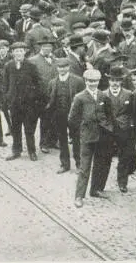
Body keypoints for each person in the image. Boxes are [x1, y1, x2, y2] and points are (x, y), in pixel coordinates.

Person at [69, 69, 115, 208]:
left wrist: (109, 128)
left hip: (102, 137)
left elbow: (110, 115)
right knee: (85, 167)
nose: (92, 83)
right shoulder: (79, 97)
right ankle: (79, 196)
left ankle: (95, 190)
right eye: (90, 81)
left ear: (99, 81)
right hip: (87, 137)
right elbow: (72, 118)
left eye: (95, 81)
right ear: (85, 81)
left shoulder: (104, 96)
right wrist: (80, 132)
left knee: (100, 165)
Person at [2, 42, 44, 161]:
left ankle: (32, 151)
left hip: (28, 104)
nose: (19, 53)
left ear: (24, 52)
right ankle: (16, 151)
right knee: (15, 128)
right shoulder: (8, 66)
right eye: (16, 51)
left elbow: (38, 83)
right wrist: (6, 99)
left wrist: (34, 98)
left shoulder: (31, 65)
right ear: (12, 53)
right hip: (14, 104)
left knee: (29, 129)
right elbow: (5, 84)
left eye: (21, 51)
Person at [45, 57, 85, 173]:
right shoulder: (52, 82)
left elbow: (83, 98)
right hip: (59, 115)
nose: (62, 69)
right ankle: (65, 164)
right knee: (62, 140)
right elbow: (50, 99)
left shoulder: (78, 81)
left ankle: (79, 164)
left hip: (74, 115)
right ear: (57, 68)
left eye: (64, 67)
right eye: (59, 67)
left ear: (68, 67)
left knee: (76, 139)